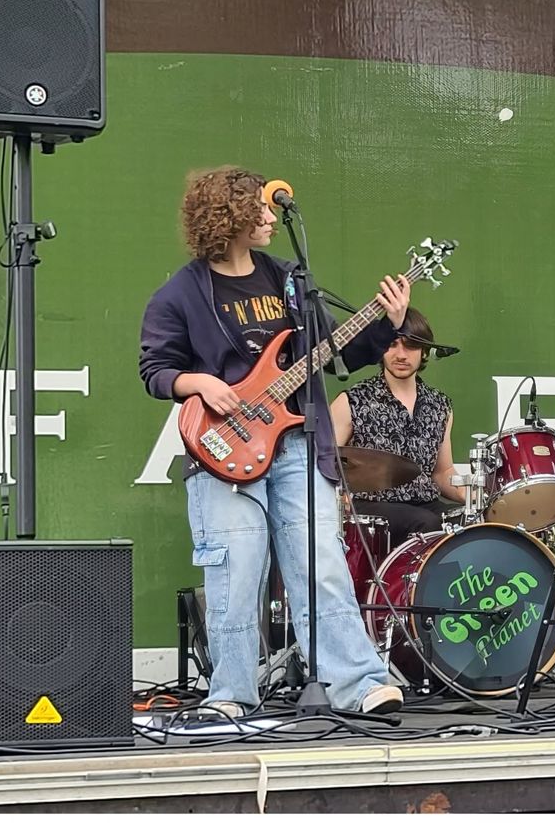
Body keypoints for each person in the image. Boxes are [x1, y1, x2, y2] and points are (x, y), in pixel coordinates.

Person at [139, 166, 412, 718]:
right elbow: (156, 370)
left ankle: (359, 684)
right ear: (229, 216)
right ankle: (231, 696)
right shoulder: (181, 293)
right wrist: (200, 382)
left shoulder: (287, 279)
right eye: (258, 209)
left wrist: (388, 324)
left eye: (270, 209)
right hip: (222, 452)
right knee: (236, 573)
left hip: (292, 445)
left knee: (322, 563)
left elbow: (337, 353)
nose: (269, 217)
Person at [330, 306, 465, 539]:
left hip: (426, 503)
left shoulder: (440, 405)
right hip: (370, 507)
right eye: (392, 344)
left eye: (410, 345)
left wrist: (476, 499)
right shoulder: (351, 400)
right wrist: (340, 498)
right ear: (380, 348)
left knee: (471, 523)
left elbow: (442, 472)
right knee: (426, 522)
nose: (401, 354)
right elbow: (320, 463)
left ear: (423, 351)